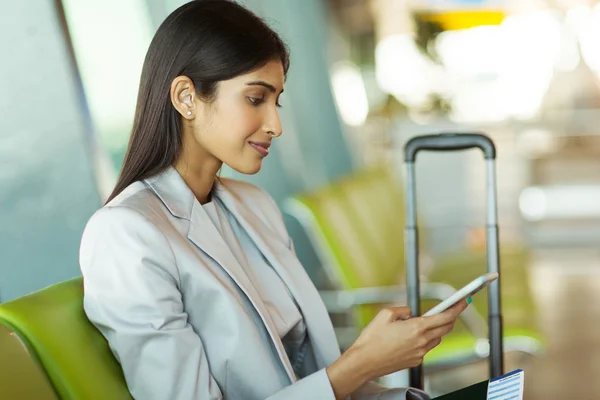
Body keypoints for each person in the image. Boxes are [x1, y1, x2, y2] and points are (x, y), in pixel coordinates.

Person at [79, 1, 468, 399]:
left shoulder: (253, 205)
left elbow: (307, 374)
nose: (275, 125)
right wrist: (362, 362)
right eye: (255, 99)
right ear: (186, 97)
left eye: (276, 101)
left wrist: (377, 366)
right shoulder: (126, 234)